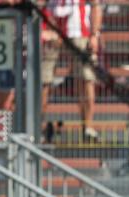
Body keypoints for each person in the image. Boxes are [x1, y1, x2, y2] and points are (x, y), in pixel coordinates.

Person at [41, 0, 102, 142]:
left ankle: (88, 127)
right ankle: (38, 128)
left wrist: (94, 34)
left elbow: (95, 5)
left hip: (79, 31)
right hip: (52, 30)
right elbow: (39, 4)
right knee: (43, 80)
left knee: (86, 78)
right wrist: (46, 26)